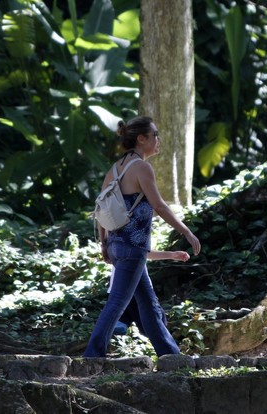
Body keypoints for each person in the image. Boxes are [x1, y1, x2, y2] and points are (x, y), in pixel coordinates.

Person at [84, 116, 201, 358]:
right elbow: (159, 205)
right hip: (132, 249)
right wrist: (186, 231)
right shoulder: (141, 168)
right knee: (117, 303)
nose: (159, 140)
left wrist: (104, 244)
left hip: (118, 247)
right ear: (141, 138)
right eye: (155, 135)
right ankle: (91, 356)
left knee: (149, 307)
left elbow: (100, 208)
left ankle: (171, 357)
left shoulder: (115, 169)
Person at [112, 250, 190, 335]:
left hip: (120, 289)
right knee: (158, 328)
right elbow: (142, 252)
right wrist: (172, 255)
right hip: (135, 289)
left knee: (156, 327)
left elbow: (141, 251)